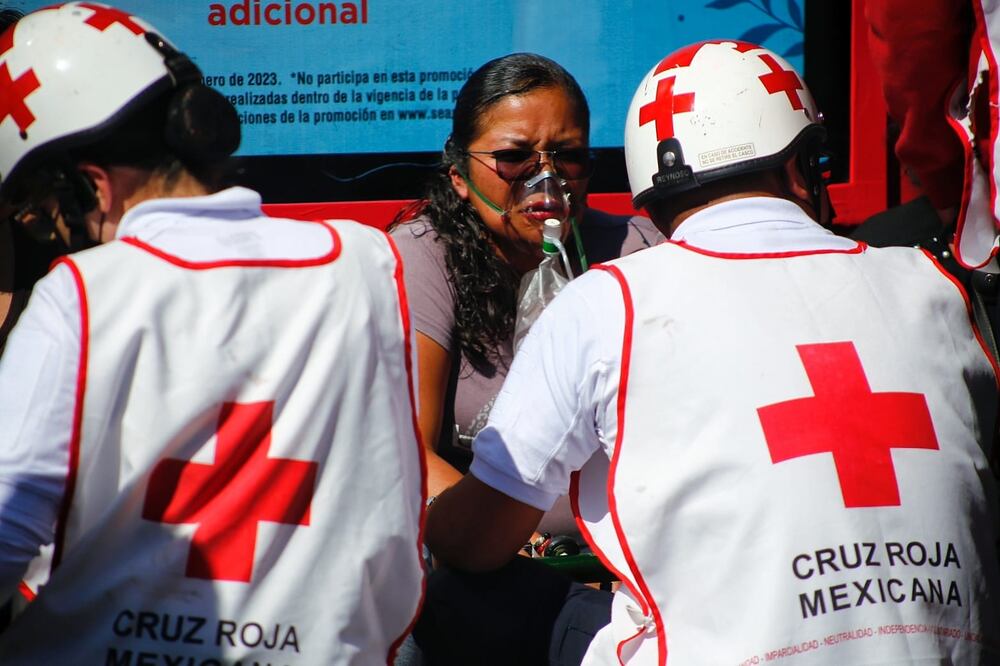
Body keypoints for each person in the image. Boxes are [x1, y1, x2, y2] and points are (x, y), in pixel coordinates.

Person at [424, 40, 1000, 664]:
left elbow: (472, 542)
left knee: (451, 598)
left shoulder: (606, 300)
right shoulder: (937, 287)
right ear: (802, 167)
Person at [0, 4, 425, 664]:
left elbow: (7, 524)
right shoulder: (364, 264)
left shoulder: (81, 293)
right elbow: (390, 514)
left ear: (90, 186)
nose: (57, 237)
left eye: (45, 216)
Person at [389, 53, 659, 531]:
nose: (547, 179)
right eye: (514, 157)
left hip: (627, 549)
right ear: (460, 177)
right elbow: (410, 454)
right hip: (491, 557)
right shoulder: (423, 258)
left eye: (568, 155)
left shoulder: (639, 252)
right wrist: (514, 548)